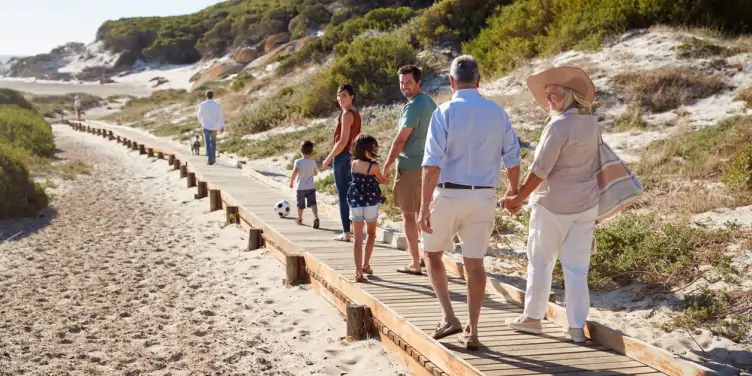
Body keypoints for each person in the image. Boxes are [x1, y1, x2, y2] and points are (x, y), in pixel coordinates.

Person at [419, 55, 521, 350]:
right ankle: (473, 331)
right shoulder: (497, 112)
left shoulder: (444, 112)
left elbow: (432, 164)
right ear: (479, 80)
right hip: (484, 197)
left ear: (451, 82)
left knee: (432, 252)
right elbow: (513, 158)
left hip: (449, 194)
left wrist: (425, 205)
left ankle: (449, 316)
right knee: (475, 265)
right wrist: (513, 192)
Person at [500, 67, 600, 344]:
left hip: (554, 204)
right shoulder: (591, 122)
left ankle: (532, 318)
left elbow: (541, 170)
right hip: (586, 204)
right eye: (546, 96)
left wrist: (517, 198)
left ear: (568, 96)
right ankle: (577, 327)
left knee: (541, 261)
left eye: (553, 95)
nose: (548, 101)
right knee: (577, 269)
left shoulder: (558, 125)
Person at [383, 64, 437, 276]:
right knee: (424, 214)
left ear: (418, 83)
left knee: (409, 216)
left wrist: (387, 165)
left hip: (412, 167)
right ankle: (427, 257)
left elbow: (400, 140)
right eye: (401, 83)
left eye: (408, 83)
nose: (404, 87)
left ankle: (415, 262)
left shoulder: (414, 106)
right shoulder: (429, 102)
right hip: (429, 166)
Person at [322, 84, 362, 242]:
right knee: (352, 194)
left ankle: (346, 232)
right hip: (353, 156)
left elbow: (343, 140)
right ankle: (355, 229)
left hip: (343, 156)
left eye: (344, 95)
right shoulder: (356, 112)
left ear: (352, 96)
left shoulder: (346, 115)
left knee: (343, 195)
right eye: (338, 96)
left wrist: (329, 157)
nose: (340, 99)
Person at [347, 134, 388, 282]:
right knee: (371, 234)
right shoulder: (374, 166)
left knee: (357, 239)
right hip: (371, 202)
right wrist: (387, 175)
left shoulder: (354, 163)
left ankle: (358, 271)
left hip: (356, 202)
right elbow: (383, 181)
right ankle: (366, 264)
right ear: (368, 149)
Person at [290, 140, 320, 229]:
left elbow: (294, 172)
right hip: (311, 186)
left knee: (300, 205)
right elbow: (315, 173)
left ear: (301, 151)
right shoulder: (313, 162)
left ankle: (299, 219)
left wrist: (291, 182)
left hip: (300, 187)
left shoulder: (298, 162)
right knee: (313, 203)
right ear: (311, 152)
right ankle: (315, 217)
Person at [197, 90, 225, 165]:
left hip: (206, 126)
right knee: (213, 142)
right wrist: (222, 126)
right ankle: (213, 158)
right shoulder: (217, 105)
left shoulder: (202, 105)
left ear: (206, 96)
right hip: (214, 127)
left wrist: (201, 122)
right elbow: (221, 116)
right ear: (213, 96)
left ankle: (210, 159)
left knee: (207, 143)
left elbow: (199, 115)